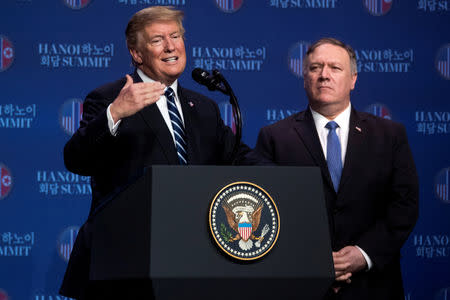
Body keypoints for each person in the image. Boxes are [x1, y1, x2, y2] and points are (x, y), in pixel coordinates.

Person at [60, 6, 256, 299]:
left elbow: (241, 159)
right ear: (136, 54)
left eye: (175, 36)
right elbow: (76, 159)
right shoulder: (109, 98)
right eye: (157, 40)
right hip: (125, 265)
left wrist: (288, 168)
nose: (170, 46)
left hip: (193, 259)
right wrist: (115, 114)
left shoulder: (203, 107)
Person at [254, 37, 419, 299]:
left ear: (353, 79)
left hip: (373, 287)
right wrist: (314, 260)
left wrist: (362, 254)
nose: (324, 75)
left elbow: (404, 205)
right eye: (315, 68)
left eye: (335, 68)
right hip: (302, 286)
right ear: (304, 77)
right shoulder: (274, 137)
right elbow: (266, 212)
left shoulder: (389, 135)